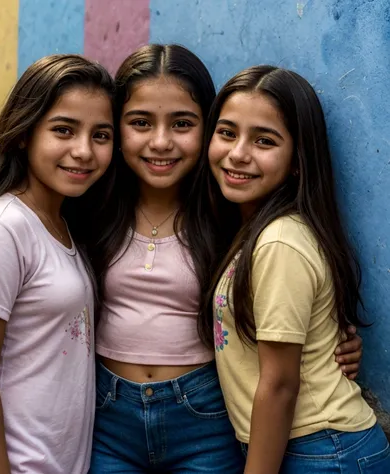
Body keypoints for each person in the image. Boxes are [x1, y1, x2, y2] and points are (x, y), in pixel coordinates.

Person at [86, 45, 363, 473]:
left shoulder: (228, 215)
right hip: (108, 414)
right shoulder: (91, 208)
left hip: (204, 413)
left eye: (182, 124)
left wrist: (332, 338)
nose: (161, 142)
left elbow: (285, 294)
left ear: (205, 128)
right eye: (140, 123)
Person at [208, 65, 390, 473]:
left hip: (323, 450)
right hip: (312, 446)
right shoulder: (257, 230)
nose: (238, 153)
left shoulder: (278, 242)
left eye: (265, 141)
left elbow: (280, 385)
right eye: (227, 132)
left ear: (296, 161)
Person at [0, 54, 115, 474]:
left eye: (101, 135)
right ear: (24, 133)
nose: (83, 151)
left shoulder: (61, 222)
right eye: (63, 130)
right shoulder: (3, 227)